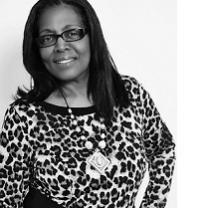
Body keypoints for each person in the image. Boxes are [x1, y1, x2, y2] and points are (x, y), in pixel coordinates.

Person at [0, 0, 176, 207]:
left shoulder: (130, 94)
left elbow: (163, 149)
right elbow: (7, 199)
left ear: (92, 35)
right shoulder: (24, 116)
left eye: (72, 33)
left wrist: (153, 203)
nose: (60, 46)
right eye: (47, 38)